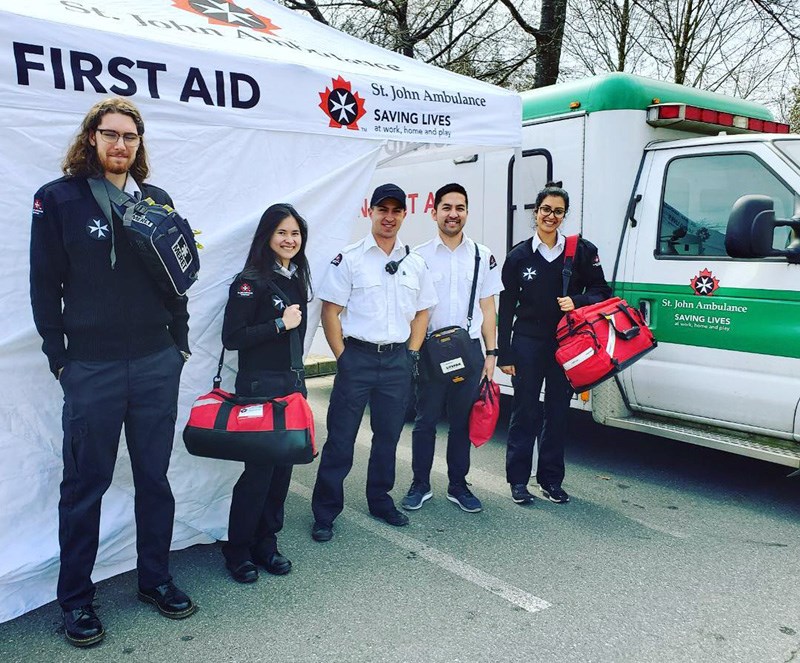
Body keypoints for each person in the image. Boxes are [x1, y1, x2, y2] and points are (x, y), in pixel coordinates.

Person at [29, 98, 195, 647]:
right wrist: (61, 358)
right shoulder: (57, 200)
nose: (120, 145)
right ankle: (75, 600)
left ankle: (155, 580)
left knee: (154, 479)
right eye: (110, 134)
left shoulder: (156, 200)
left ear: (140, 144)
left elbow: (177, 277)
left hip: (154, 364)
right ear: (91, 138)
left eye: (130, 136)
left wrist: (179, 342)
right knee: (85, 486)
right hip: (92, 368)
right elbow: (43, 284)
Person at [310, 183, 437, 541]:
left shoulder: (414, 263)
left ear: (403, 215)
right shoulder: (350, 258)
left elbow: (424, 309)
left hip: (396, 360)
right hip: (359, 359)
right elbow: (330, 311)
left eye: (396, 211)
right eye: (383, 209)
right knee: (341, 438)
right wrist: (343, 357)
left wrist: (412, 352)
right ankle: (325, 511)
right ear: (371, 212)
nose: (389, 217)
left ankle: (380, 500)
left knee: (388, 438)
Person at [497, 182, 611, 506]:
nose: (551, 216)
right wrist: (504, 351)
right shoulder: (519, 256)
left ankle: (550, 480)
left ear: (565, 215)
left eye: (558, 211)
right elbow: (506, 307)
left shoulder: (581, 251)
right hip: (528, 342)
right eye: (546, 209)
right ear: (536, 211)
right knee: (525, 411)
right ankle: (518, 481)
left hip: (567, 345)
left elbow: (603, 290)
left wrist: (577, 300)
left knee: (559, 412)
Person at [220, 203, 311, 583]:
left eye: (295, 233)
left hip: (290, 387)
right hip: (257, 389)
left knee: (281, 474)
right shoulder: (249, 281)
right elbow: (232, 338)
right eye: (282, 233)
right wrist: (279, 323)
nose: (289, 240)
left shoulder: (296, 279)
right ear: (267, 237)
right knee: (257, 475)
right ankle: (238, 548)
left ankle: (266, 542)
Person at [402, 183, 502, 513]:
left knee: (461, 422)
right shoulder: (418, 256)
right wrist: (412, 354)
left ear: (467, 213)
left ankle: (458, 485)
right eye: (446, 207)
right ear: (434, 213)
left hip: (469, 352)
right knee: (425, 420)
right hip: (431, 351)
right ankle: (420, 484)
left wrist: (492, 354)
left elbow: (488, 308)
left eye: (460, 207)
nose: (453, 214)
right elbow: (413, 308)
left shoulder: (482, 255)